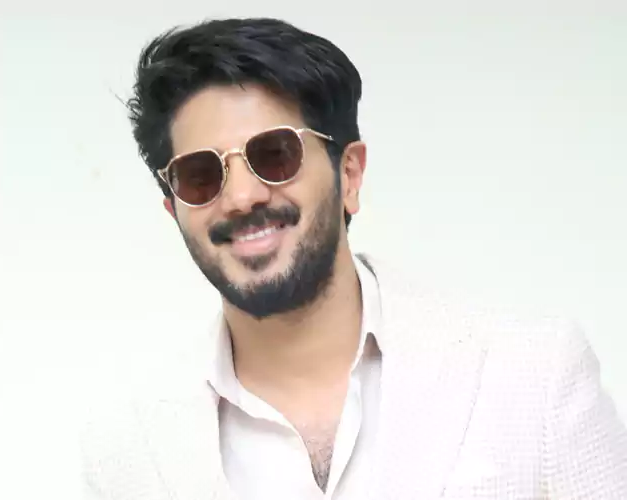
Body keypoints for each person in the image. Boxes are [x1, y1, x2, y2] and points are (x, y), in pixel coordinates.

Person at [81, 17, 627, 499]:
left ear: (349, 174)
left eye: (275, 154)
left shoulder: (535, 377)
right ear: (174, 208)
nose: (242, 197)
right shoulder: (129, 453)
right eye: (201, 175)